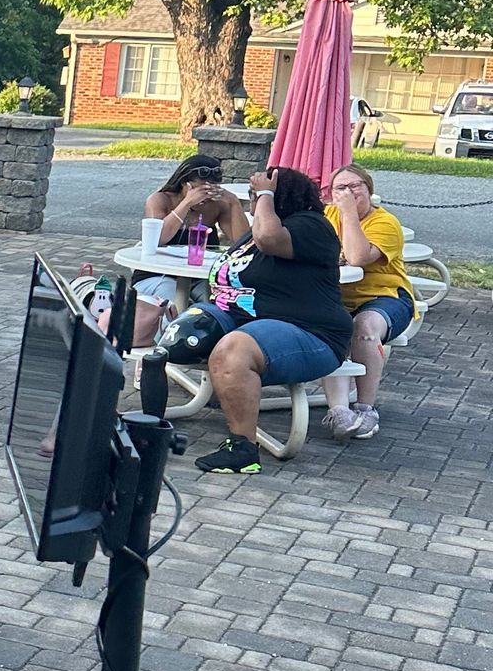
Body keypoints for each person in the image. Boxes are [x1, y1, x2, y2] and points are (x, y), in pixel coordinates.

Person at [196, 165, 350, 478]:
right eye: (254, 196)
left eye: (258, 195)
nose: (254, 202)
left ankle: (243, 451)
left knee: (233, 351)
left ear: (279, 196)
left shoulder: (311, 226)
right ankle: (148, 426)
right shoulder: (256, 232)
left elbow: (268, 238)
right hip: (256, 325)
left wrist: (265, 193)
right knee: (179, 332)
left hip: (312, 334)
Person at [322, 163, 415, 440]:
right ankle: (339, 411)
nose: (348, 192)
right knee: (330, 323)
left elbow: (357, 258)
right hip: (338, 296)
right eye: (341, 188)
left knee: (363, 326)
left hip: (385, 296)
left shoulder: (385, 223)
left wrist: (349, 214)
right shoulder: (326, 216)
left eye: (355, 186)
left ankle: (366, 408)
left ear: (369, 189)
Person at [130, 153, 251, 346]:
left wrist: (234, 203)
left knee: (216, 306)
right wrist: (187, 203)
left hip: (199, 276)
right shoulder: (160, 200)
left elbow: (243, 243)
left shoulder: (216, 206)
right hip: (157, 275)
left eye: (210, 191)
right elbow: (158, 238)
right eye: (198, 189)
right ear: (184, 184)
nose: (204, 198)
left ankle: (207, 349)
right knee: (173, 307)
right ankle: (168, 349)